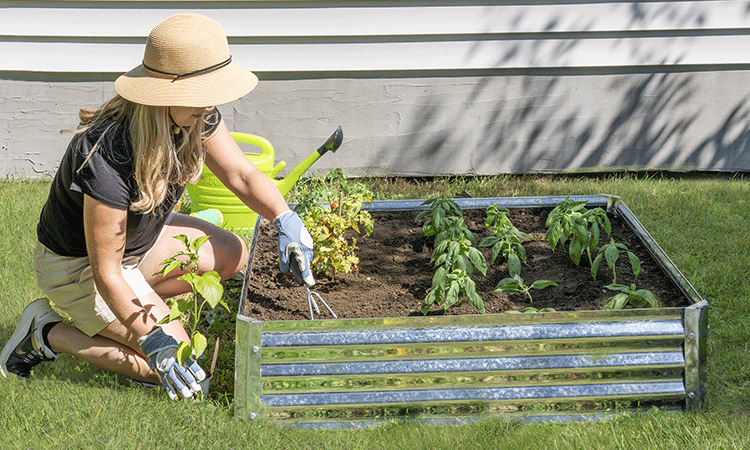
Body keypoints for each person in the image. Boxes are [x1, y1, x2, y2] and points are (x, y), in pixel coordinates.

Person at [0, 13, 314, 400]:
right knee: (188, 374)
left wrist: (284, 217)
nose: (211, 105)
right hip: (78, 268)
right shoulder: (109, 153)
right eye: (202, 95)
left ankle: (135, 309)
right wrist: (153, 337)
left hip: (136, 247)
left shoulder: (193, 117)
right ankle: (47, 333)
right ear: (167, 97)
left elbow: (243, 176)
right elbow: (107, 272)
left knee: (234, 253)